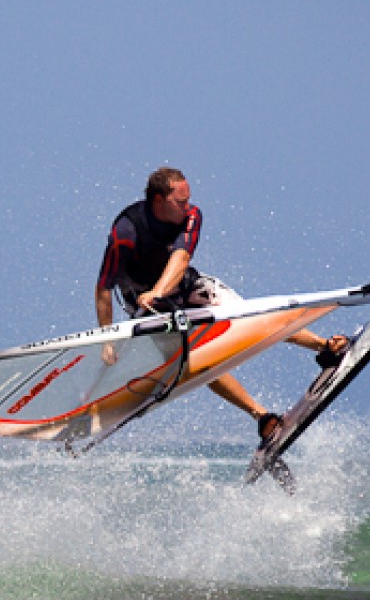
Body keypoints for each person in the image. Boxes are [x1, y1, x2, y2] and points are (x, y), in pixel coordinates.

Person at [94, 166, 348, 447]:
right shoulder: (125, 231)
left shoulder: (191, 216)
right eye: (180, 201)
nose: (187, 206)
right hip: (146, 306)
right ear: (158, 200)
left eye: (187, 199)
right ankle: (263, 419)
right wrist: (108, 339)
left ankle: (325, 347)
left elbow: (180, 258)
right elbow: (104, 287)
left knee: (254, 316)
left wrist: (159, 290)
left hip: (186, 286)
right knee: (196, 363)